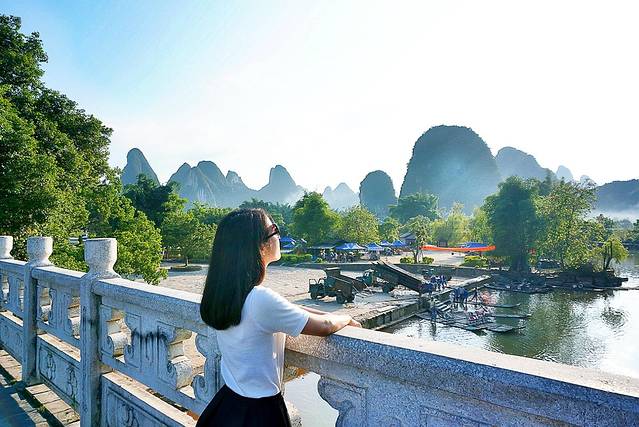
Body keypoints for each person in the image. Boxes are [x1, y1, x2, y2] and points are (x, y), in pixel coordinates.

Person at [198, 209, 361, 426]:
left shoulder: (226, 294)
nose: (279, 235)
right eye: (274, 229)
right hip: (260, 413)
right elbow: (324, 327)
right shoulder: (260, 299)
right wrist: (346, 318)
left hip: (228, 403)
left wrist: (331, 314)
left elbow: (292, 311)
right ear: (260, 246)